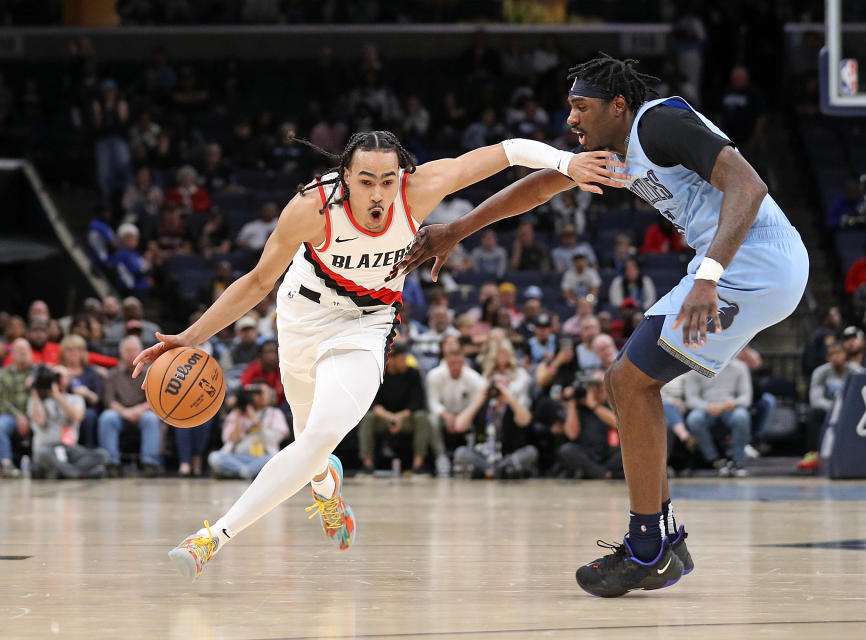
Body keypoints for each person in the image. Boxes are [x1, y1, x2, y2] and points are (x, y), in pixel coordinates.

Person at [392, 53, 808, 596]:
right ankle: (661, 539)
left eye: (580, 106)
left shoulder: (658, 121)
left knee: (631, 381)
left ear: (618, 105)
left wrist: (709, 276)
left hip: (753, 263)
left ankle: (647, 547)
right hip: (737, 264)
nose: (570, 120)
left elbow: (748, 187)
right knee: (627, 380)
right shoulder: (615, 150)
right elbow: (542, 185)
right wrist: (459, 229)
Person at [130, 129, 619, 581]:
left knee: (319, 436)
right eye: (366, 181)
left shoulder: (421, 189)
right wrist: (190, 337)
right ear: (346, 177)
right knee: (310, 444)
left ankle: (211, 539)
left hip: (368, 324)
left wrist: (566, 161)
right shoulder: (311, 206)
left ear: (400, 176)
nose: (379, 193)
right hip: (301, 316)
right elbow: (258, 281)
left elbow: (507, 151)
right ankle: (327, 491)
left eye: (387, 180)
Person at [355, 342, 432, 474]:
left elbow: (417, 403)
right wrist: (390, 417)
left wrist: (399, 417)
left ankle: (418, 465)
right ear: (391, 359)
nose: (405, 362)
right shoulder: (378, 374)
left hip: (405, 418)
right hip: (384, 418)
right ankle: (367, 465)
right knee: (367, 418)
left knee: (421, 417)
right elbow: (373, 404)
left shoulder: (413, 374)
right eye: (402, 359)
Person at [28, 365, 110, 479]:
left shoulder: (76, 399)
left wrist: (57, 396)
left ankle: (61, 473)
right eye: (54, 376)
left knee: (102, 455)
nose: (55, 379)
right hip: (46, 449)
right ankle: (80, 474)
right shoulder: (36, 399)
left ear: (68, 379)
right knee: (41, 454)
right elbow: (39, 421)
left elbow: (77, 416)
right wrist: (35, 393)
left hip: (70, 449)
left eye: (59, 376)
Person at [98, 335, 164, 477]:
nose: (132, 354)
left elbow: (156, 399)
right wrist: (125, 412)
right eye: (128, 351)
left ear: (141, 351)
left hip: (144, 412)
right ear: (121, 353)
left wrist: (140, 409)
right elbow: (110, 401)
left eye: (135, 350)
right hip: (120, 414)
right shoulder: (113, 374)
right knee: (107, 417)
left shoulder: (151, 372)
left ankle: (150, 463)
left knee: (152, 419)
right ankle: (111, 464)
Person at [683, 356, 752, 477]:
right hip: (706, 408)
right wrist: (707, 406)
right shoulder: (695, 367)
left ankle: (738, 461)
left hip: (731, 408)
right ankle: (716, 461)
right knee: (694, 419)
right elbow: (691, 399)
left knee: (742, 416)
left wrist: (734, 403)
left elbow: (746, 397)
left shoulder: (740, 367)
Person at [425, 340, 486, 475]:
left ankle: (471, 456)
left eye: (459, 363)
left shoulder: (474, 378)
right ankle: (440, 457)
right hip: (444, 415)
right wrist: (447, 416)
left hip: (466, 415)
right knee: (431, 420)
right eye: (452, 363)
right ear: (446, 361)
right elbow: (433, 403)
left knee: (480, 416)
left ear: (463, 361)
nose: (456, 366)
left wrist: (462, 418)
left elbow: (475, 404)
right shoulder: (434, 376)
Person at [799, 341, 862, 471]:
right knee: (814, 414)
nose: (835, 357)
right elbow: (816, 399)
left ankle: (860, 455)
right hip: (827, 410)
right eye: (831, 354)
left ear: (845, 355)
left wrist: (845, 409)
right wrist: (834, 409)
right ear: (827, 358)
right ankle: (812, 454)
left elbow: (861, 398)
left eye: (838, 353)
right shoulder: (820, 372)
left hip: (850, 411)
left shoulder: (857, 372)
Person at [209, 383, 290, 480]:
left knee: (275, 458)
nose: (261, 396)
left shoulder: (274, 413)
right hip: (237, 458)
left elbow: (273, 439)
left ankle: (239, 473)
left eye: (263, 393)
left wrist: (255, 420)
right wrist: (238, 417)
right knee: (214, 457)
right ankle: (247, 472)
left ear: (271, 395)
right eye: (257, 393)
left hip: (262, 458)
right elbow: (229, 440)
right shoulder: (237, 413)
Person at [557, 370, 622, 479]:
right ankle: (605, 474)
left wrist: (594, 406)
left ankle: (594, 473)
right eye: (596, 385)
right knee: (567, 450)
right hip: (586, 453)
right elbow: (572, 435)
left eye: (602, 384)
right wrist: (572, 403)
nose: (600, 388)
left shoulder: (612, 403)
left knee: (628, 451)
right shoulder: (579, 406)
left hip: (608, 454)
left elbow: (617, 424)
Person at [0, 338, 34, 477]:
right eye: (19, 350)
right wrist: (18, 416)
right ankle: (6, 463)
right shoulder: (3, 374)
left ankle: (43, 463)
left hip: (36, 415)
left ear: (30, 352)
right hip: (11, 416)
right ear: (12, 353)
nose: (22, 353)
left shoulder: (39, 371)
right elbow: (1, 400)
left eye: (25, 350)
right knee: (0, 425)